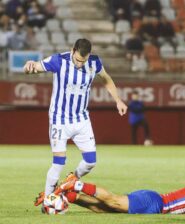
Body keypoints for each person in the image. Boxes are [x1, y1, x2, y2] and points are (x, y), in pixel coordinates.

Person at [24, 38, 128, 207]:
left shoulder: (94, 62)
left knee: (90, 162)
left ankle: (72, 180)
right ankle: (49, 201)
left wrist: (118, 100)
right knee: (58, 162)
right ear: (72, 50)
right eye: (78, 60)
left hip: (81, 120)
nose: (80, 64)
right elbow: (35, 67)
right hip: (59, 119)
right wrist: (29, 66)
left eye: (84, 61)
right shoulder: (59, 60)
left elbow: (107, 79)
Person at [55, 170, 185, 215]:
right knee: (113, 201)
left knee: (106, 209)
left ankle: (71, 196)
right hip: (154, 202)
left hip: (153, 204)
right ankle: (76, 184)